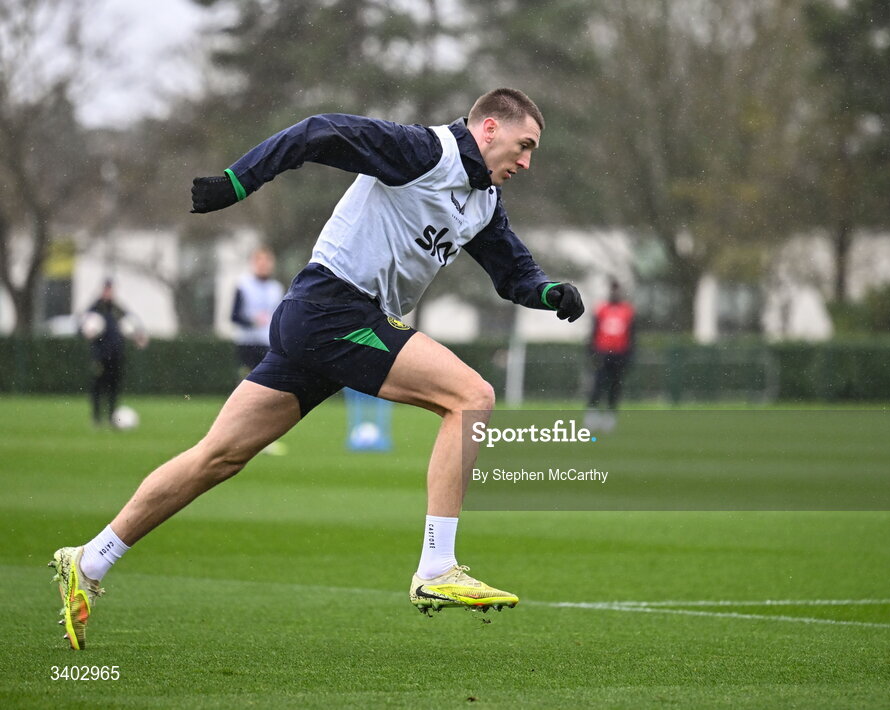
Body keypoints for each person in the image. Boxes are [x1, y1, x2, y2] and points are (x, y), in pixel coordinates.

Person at [49, 88, 584, 649]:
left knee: (218, 457)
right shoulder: (424, 152)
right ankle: (436, 568)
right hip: (333, 310)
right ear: (490, 129)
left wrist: (551, 293)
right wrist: (238, 181)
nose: (526, 163)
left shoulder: (482, 203)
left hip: (323, 324)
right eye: (524, 146)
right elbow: (318, 131)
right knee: (471, 397)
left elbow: (512, 272)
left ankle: (89, 559)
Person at [82, 280, 147, 427]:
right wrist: (86, 332)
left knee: (114, 387)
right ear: (102, 291)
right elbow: (81, 326)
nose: (109, 293)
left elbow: (131, 323)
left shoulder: (117, 308)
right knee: (97, 386)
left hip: (117, 355)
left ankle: (111, 417)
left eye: (111, 290)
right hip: (99, 356)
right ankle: (96, 418)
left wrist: (139, 336)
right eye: (106, 290)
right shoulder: (95, 308)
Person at [585, 278, 635, 431]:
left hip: (620, 354)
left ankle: (610, 416)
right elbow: (593, 333)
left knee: (615, 386)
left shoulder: (627, 311)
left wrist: (630, 355)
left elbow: (632, 336)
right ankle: (592, 415)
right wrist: (591, 353)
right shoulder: (601, 309)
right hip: (603, 353)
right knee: (598, 385)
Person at [231, 247, 285, 376]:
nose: (263, 264)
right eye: (259, 260)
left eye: (267, 260)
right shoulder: (243, 285)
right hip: (247, 342)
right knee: (247, 378)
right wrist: (252, 322)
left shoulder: (276, 288)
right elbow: (234, 316)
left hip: (268, 343)